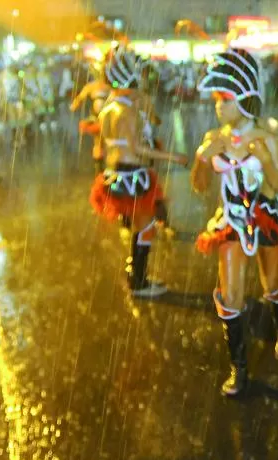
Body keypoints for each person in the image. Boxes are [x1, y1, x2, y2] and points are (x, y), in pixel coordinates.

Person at [193, 48, 278, 397]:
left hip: (265, 215)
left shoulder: (265, 137)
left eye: (223, 98)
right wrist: (201, 160)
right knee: (231, 295)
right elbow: (199, 186)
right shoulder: (214, 139)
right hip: (230, 220)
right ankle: (239, 368)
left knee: (271, 282)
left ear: (243, 99)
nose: (217, 105)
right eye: (215, 99)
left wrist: (264, 160)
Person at [88, 46, 188, 298]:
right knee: (145, 227)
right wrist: (173, 157)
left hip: (115, 173)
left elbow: (101, 147)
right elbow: (138, 148)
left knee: (140, 226)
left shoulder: (109, 108)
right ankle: (139, 283)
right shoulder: (127, 110)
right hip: (132, 174)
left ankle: (136, 275)